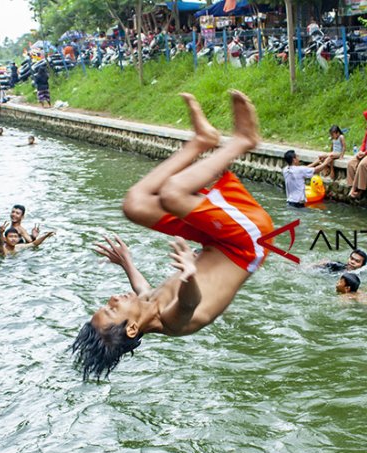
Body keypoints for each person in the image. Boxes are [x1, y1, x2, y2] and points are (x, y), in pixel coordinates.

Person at [72, 91, 274, 381]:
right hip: (246, 243)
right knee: (172, 193)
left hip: (215, 241)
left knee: (135, 204)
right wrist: (189, 275)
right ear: (131, 328)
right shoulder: (172, 320)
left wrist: (126, 261)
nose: (113, 298)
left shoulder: (149, 305)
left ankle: (201, 141)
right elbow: (188, 304)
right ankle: (244, 140)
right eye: (112, 308)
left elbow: (142, 289)